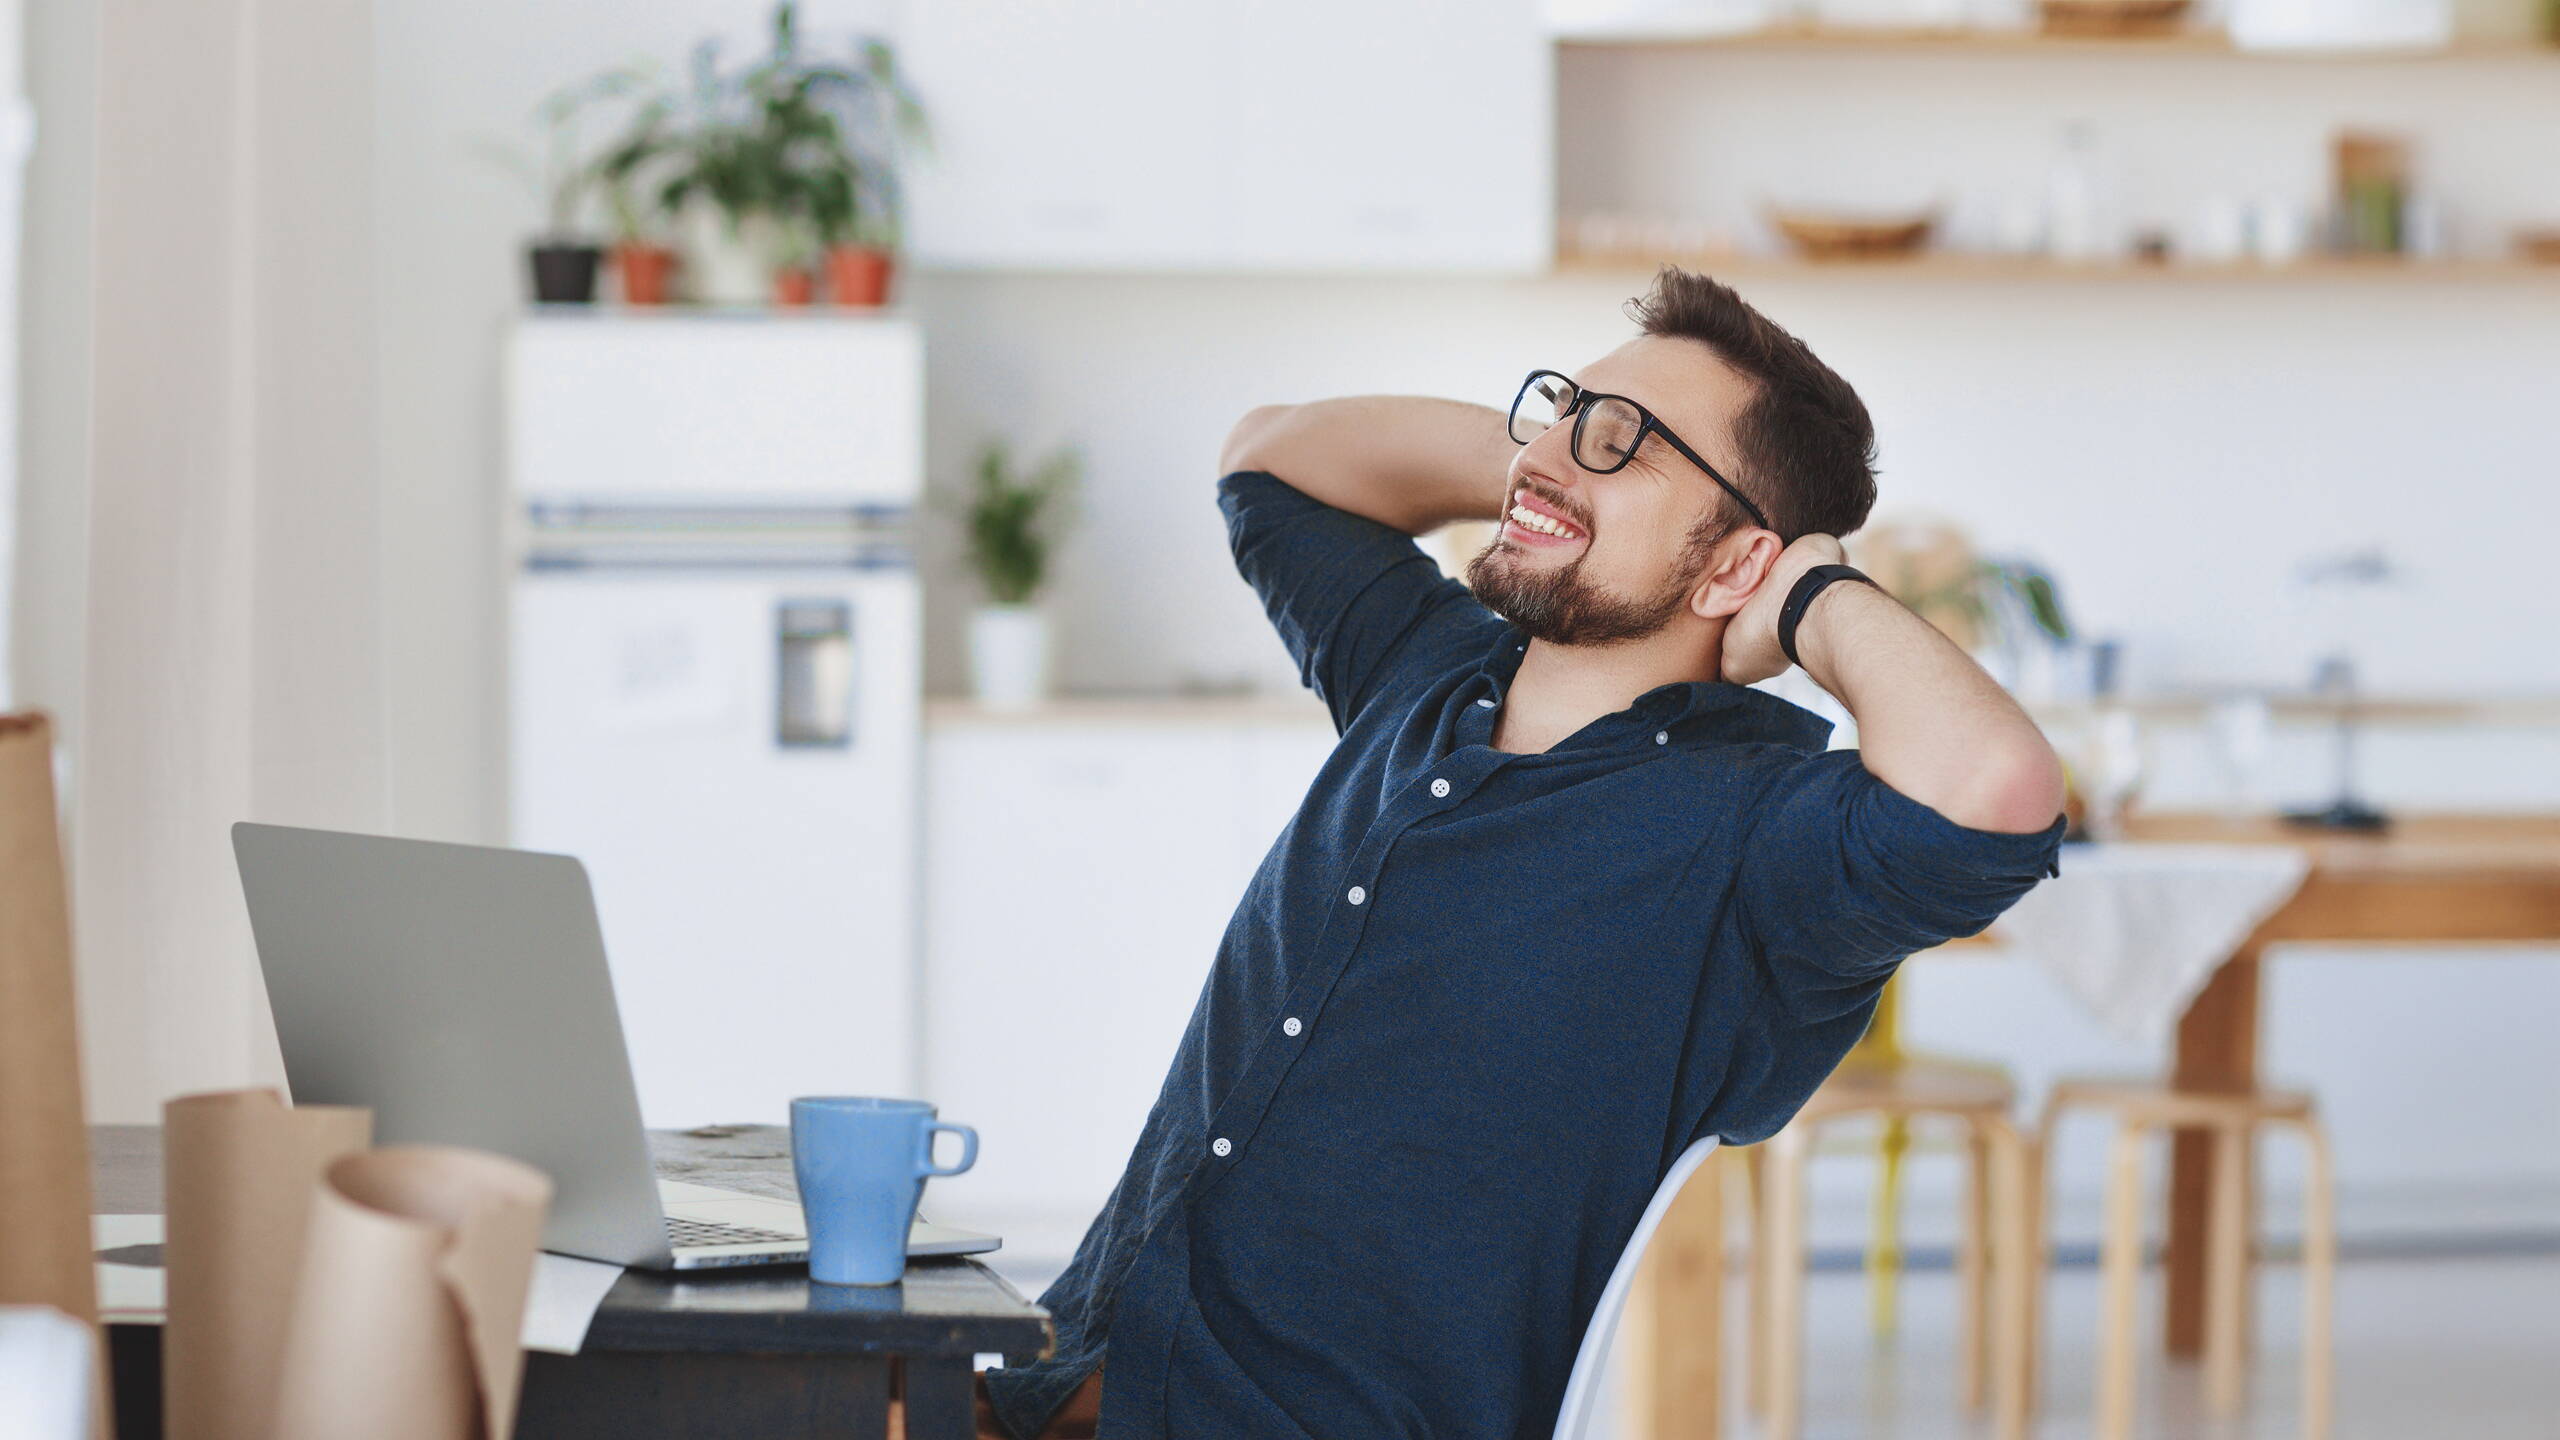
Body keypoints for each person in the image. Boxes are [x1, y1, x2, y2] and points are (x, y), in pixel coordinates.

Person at [976, 267, 2066, 1440]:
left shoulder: (1758, 841)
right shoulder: (1426, 669)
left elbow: (1994, 789)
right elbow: (1271, 457)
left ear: (1735, 560)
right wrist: (1550, 460)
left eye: (1624, 443)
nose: (1552, 452)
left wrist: (1807, 593)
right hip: (1072, 1374)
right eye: (1563, 412)